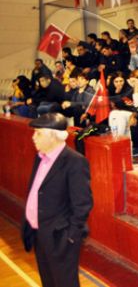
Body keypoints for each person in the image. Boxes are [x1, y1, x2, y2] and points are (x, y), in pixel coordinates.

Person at [22, 113, 93, 287]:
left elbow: (82, 204)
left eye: (38, 133)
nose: (33, 137)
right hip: (40, 233)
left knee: (64, 283)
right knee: (48, 281)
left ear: (53, 136)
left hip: (60, 237)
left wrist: (70, 237)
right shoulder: (40, 157)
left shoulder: (75, 162)